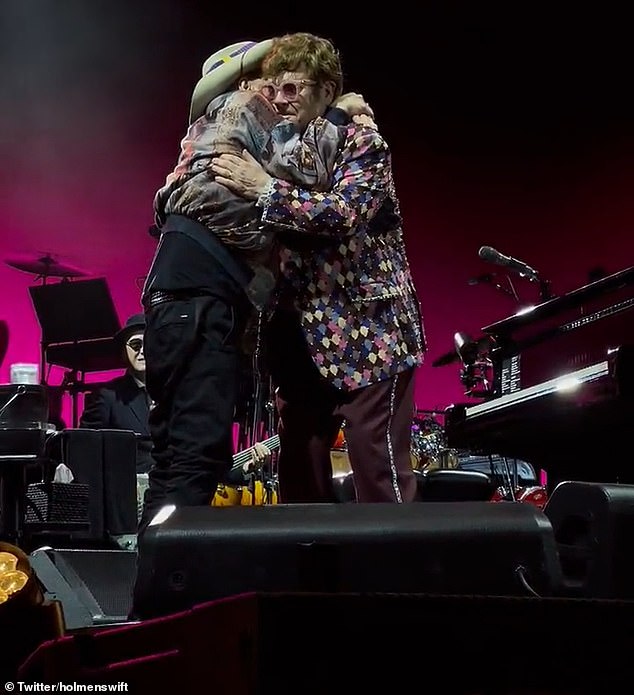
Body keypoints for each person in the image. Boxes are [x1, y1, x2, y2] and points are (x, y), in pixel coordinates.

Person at [138, 38, 373, 533]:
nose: (280, 90)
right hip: (199, 295)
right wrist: (337, 115)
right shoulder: (246, 105)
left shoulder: (223, 116)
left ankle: (154, 575)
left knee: (176, 452)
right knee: (197, 453)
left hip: (185, 292)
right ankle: (176, 584)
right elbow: (306, 171)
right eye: (273, 77)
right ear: (245, 78)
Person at [211, 32, 426, 504]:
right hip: (298, 333)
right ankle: (309, 573)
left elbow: (344, 214)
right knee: (300, 466)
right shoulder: (272, 147)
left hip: (369, 331)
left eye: (294, 89)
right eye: (274, 89)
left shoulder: (363, 141)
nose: (281, 100)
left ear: (326, 90)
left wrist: (265, 190)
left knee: (376, 465)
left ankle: (397, 572)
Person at [79, 313, 152, 473]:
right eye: (135, 345)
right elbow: (84, 445)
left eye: (148, 344)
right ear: (123, 352)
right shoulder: (108, 396)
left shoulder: (174, 392)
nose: (142, 351)